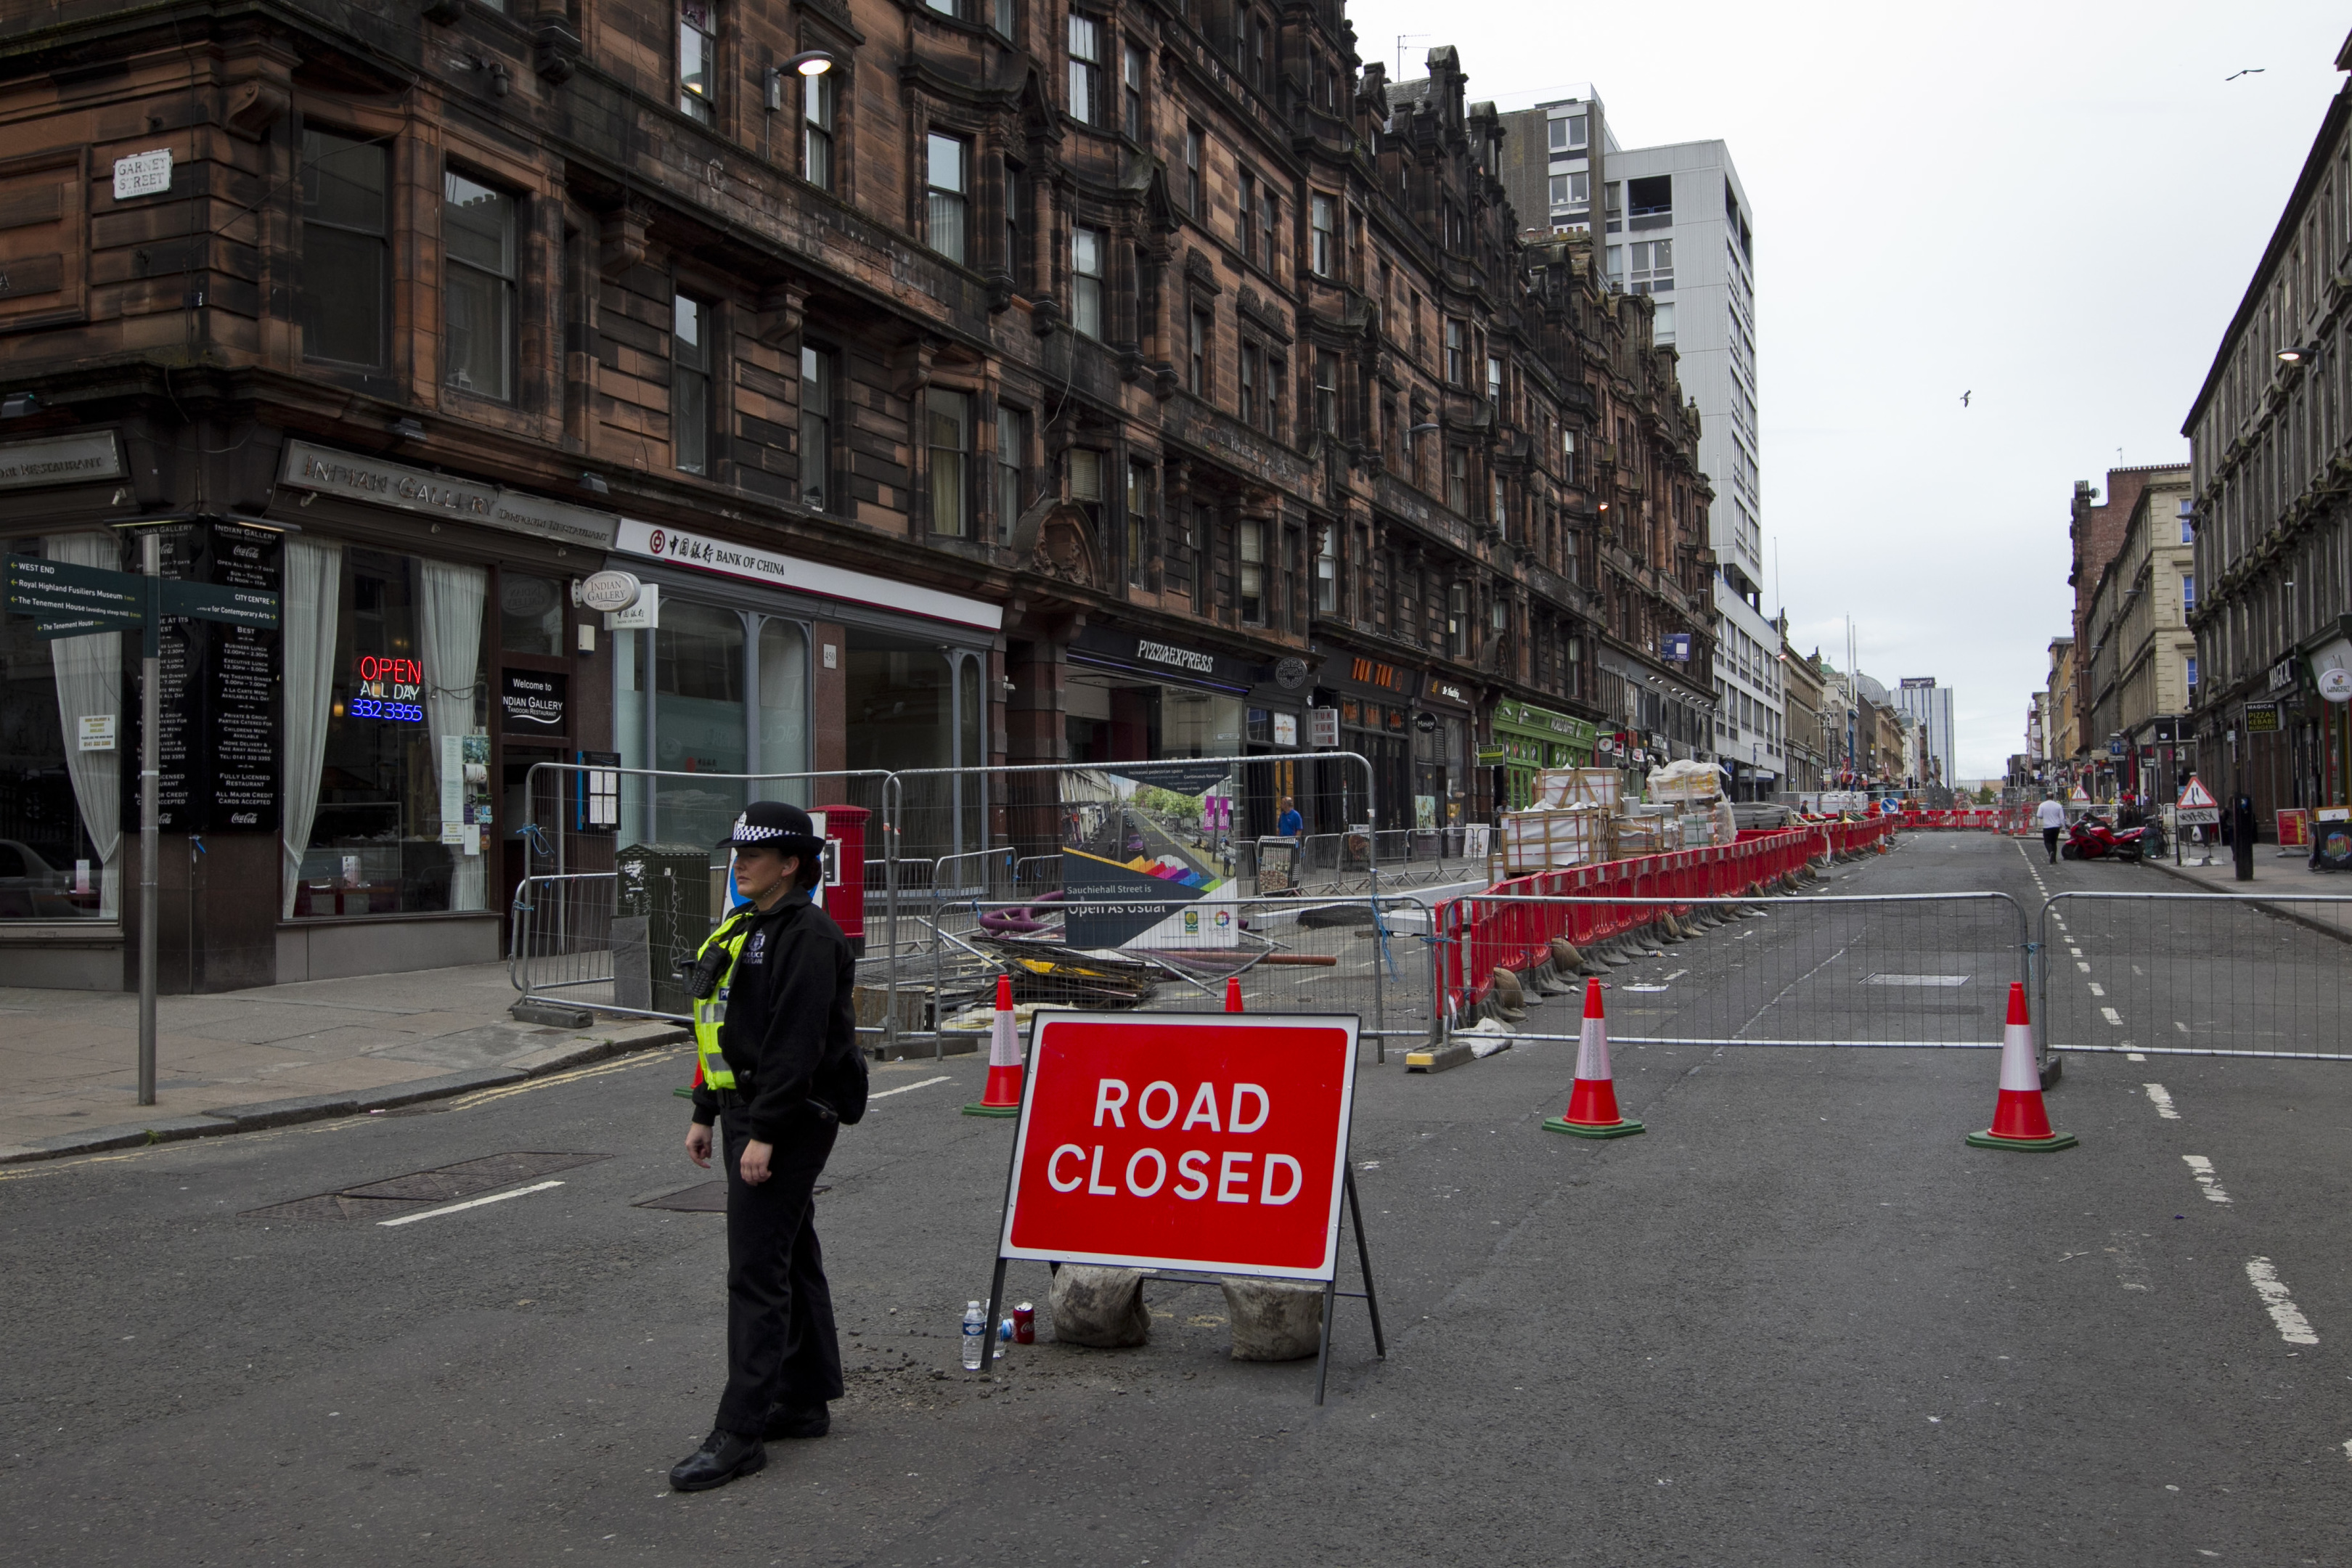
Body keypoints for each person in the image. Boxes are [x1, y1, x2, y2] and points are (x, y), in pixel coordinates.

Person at [669, 801, 861, 1494]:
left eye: (755, 855)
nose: (738, 863)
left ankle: (741, 1432)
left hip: (788, 1115)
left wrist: (766, 1133)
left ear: (792, 865)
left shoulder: (806, 934)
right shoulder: (747, 925)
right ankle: (804, 1399)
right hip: (745, 1108)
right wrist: (704, 1110)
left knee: (754, 1271)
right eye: (736, 853)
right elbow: (722, 1027)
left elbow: (795, 1043)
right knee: (790, 1248)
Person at [2036, 794, 2067, 863]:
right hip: (2056, 827)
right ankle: (2054, 860)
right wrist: (2063, 827)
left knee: (2047, 842)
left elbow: (2039, 815)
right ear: (2053, 797)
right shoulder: (2058, 805)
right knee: (2054, 843)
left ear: (2046, 797)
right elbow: (2062, 818)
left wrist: (2044, 816)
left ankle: (2050, 852)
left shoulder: (2042, 805)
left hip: (2047, 827)